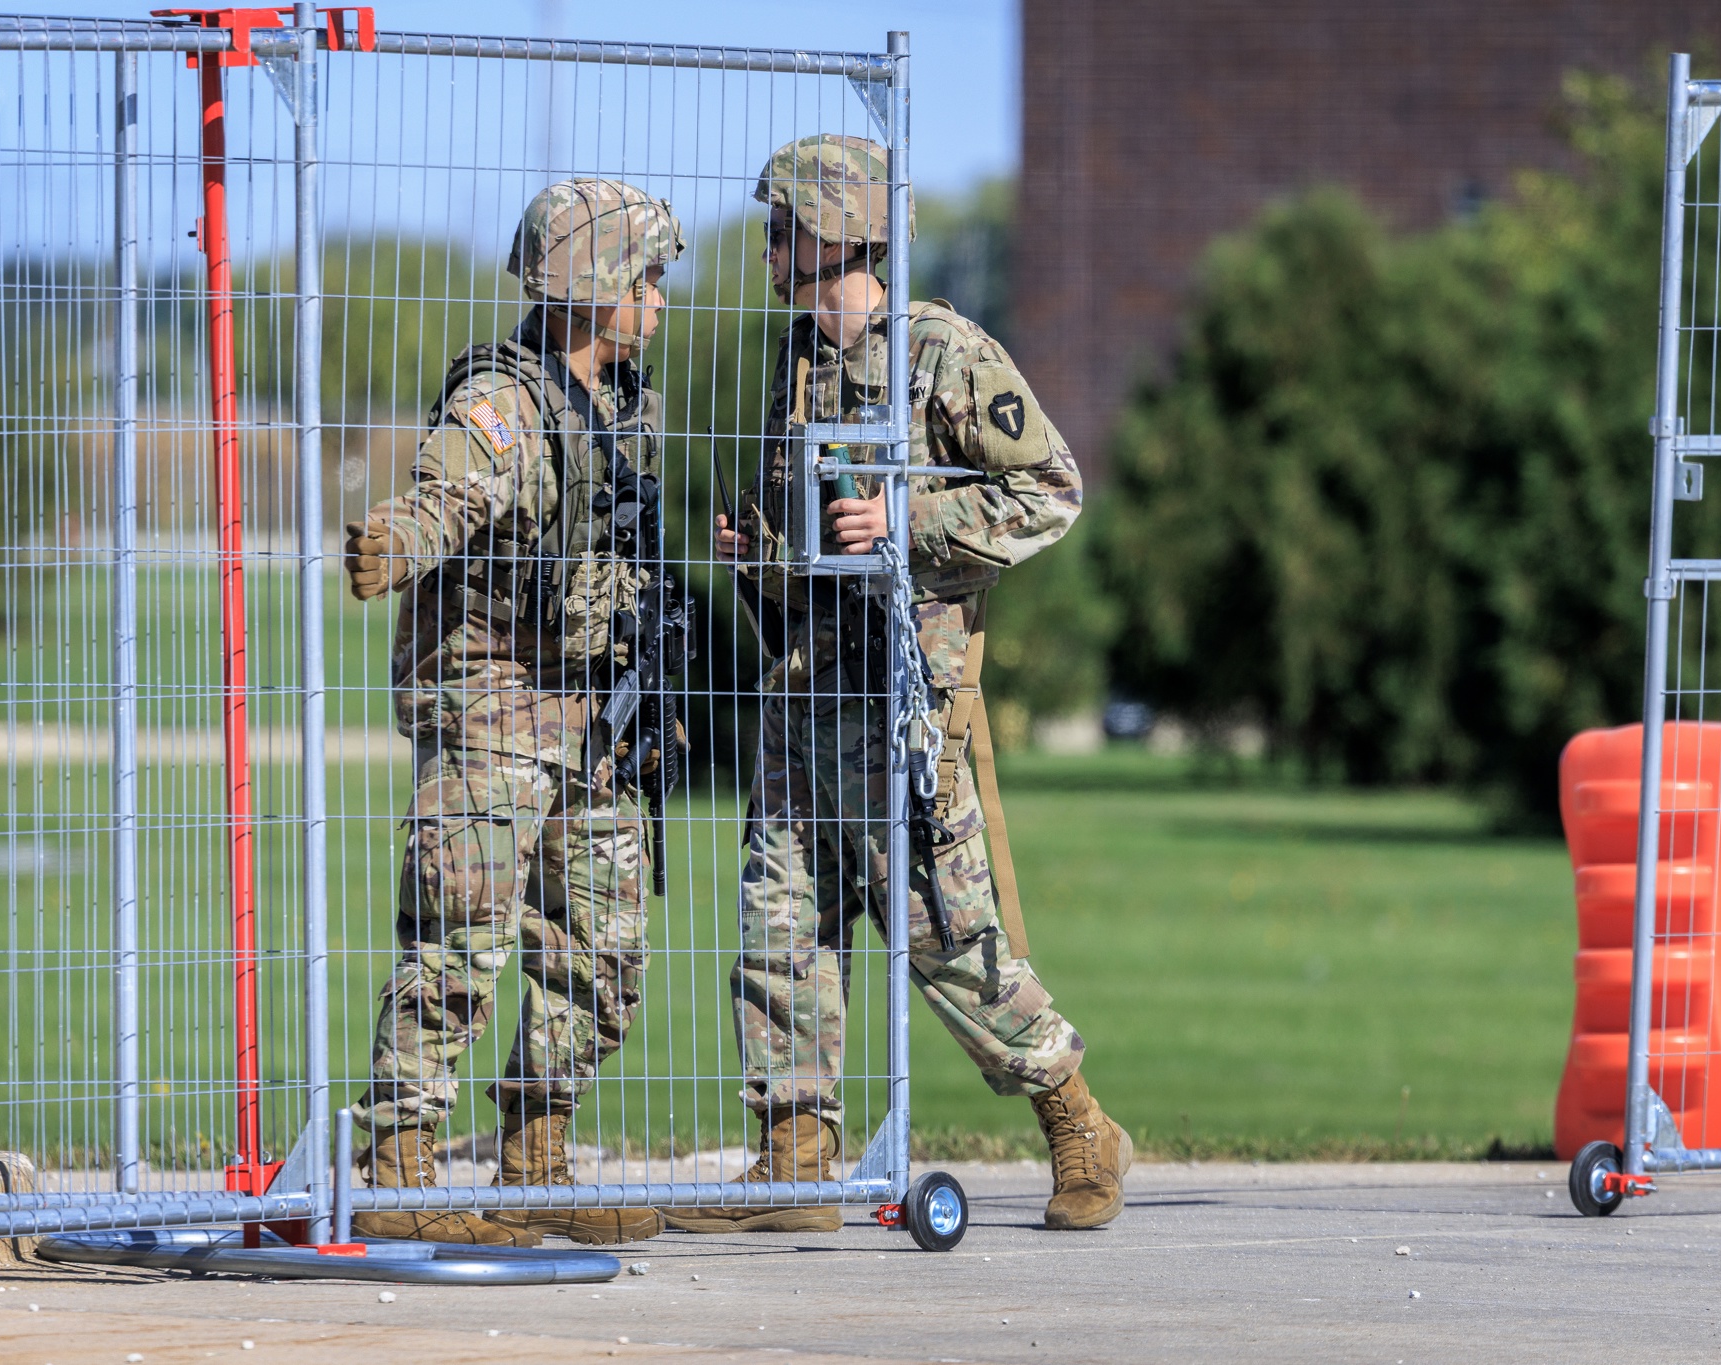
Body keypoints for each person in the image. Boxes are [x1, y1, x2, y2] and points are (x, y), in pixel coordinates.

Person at [672, 135, 1129, 1235]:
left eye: (782, 228)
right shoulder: (796, 357)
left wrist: (905, 525)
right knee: (779, 930)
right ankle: (795, 1156)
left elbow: (1053, 491)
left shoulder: (941, 352)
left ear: (834, 233)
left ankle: (1076, 1120)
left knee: (941, 933)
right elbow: (808, 524)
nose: (769, 248)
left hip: (898, 710)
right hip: (800, 699)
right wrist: (760, 552)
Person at [339, 178, 684, 1247]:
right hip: (491, 702)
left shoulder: (625, 404)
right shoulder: (500, 407)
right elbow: (447, 500)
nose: (660, 301)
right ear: (589, 287)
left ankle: (536, 1157)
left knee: (602, 944)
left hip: (593, 712)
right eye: (646, 279)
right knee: (460, 939)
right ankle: (399, 1170)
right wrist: (392, 543)